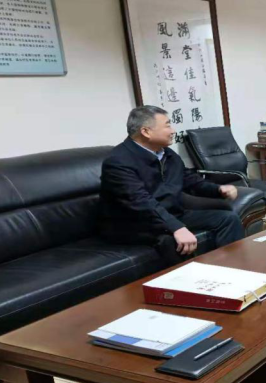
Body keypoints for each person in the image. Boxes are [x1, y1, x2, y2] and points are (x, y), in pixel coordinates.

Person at [100, 105, 244, 265]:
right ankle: (193, 278)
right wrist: (176, 227)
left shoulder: (166, 153)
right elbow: (140, 201)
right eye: (167, 125)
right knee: (172, 241)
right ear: (146, 131)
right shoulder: (118, 161)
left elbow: (188, 179)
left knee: (228, 219)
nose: (173, 131)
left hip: (170, 215)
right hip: (135, 224)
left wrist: (218, 189)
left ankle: (232, 267)